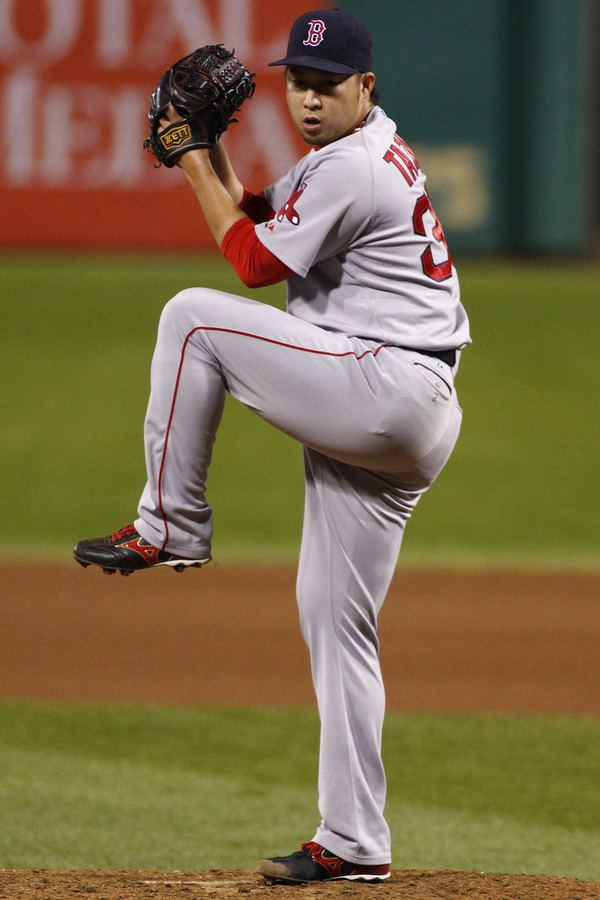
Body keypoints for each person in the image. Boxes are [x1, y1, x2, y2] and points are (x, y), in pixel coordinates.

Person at [74, 7, 470, 885]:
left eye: (328, 85)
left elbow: (251, 265)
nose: (308, 98)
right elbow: (256, 216)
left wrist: (185, 158)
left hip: (385, 387)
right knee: (336, 624)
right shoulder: (350, 160)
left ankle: (170, 522)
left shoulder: (356, 167)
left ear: (367, 87)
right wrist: (208, 154)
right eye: (298, 81)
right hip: (403, 409)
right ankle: (356, 841)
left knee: (192, 321)